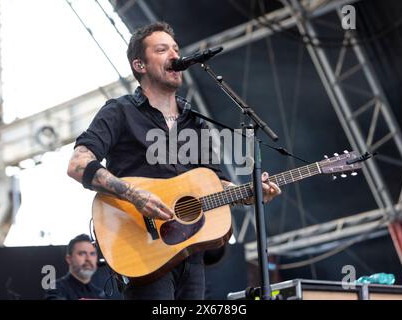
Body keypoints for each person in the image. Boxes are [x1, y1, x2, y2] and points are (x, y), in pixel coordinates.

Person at [66, 21, 281, 300]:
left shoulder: (195, 122)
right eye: (162, 49)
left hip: (191, 251)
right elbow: (78, 164)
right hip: (142, 246)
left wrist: (249, 193)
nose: (175, 55)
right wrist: (134, 195)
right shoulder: (119, 112)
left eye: (176, 49)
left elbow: (216, 184)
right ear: (140, 65)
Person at [44, 234, 106, 300]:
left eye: (92, 254)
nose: (88, 258)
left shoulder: (99, 293)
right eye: (82, 253)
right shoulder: (56, 288)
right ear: (69, 259)